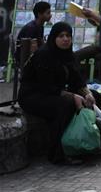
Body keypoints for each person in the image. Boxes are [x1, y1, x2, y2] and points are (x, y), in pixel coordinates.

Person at [18, 22, 95, 164]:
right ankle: (57, 154)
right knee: (65, 105)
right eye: (61, 36)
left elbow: (76, 78)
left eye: (68, 36)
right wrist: (72, 96)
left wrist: (87, 93)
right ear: (54, 38)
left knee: (93, 98)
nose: (65, 39)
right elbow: (45, 86)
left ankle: (87, 143)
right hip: (33, 96)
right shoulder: (44, 54)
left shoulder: (67, 55)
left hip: (52, 93)